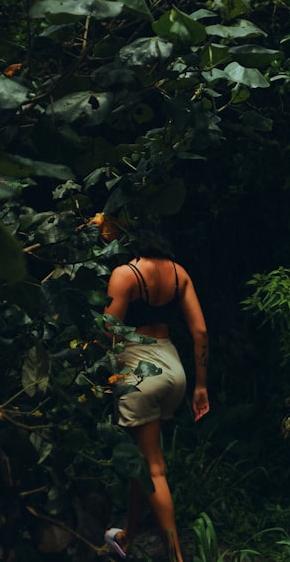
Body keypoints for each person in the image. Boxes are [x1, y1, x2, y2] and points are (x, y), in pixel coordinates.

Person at [102, 231, 210, 562]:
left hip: (139, 372)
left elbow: (110, 333)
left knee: (154, 467)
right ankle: (129, 537)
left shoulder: (125, 274)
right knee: (144, 458)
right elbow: (201, 332)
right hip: (174, 371)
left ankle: (176, 557)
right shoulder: (179, 273)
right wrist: (200, 385)